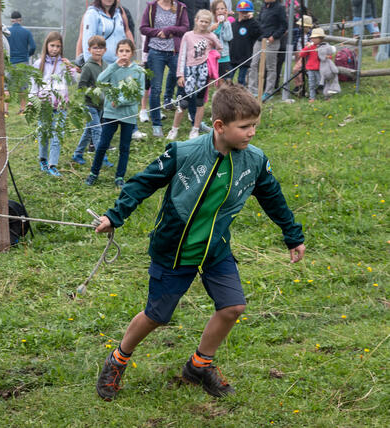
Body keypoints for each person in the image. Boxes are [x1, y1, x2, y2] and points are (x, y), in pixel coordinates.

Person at [93, 82, 306, 401]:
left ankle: (199, 365)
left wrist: (292, 234)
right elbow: (141, 183)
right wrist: (115, 215)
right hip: (175, 248)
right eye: (245, 127)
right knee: (156, 316)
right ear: (219, 126)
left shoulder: (255, 161)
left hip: (215, 247)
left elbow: (273, 199)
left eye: (255, 126)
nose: (252, 133)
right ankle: (118, 359)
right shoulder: (183, 152)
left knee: (233, 307)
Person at [85, 39, 145, 188]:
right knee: (103, 144)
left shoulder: (138, 71)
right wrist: (114, 66)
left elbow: (139, 93)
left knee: (124, 147)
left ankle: (119, 177)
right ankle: (94, 173)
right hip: (111, 113)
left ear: (132, 53)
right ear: (117, 52)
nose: (124, 54)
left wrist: (120, 101)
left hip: (128, 115)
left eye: (127, 51)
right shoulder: (113, 67)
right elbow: (100, 81)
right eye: (121, 51)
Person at [168, 9, 222, 140]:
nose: (204, 24)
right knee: (183, 102)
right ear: (196, 20)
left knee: (199, 101)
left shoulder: (210, 36)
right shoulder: (188, 35)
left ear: (210, 23)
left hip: (203, 72)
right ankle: (174, 129)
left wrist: (212, 53)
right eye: (202, 21)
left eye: (207, 22)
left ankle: (195, 129)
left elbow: (220, 48)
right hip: (189, 71)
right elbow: (182, 56)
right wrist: (180, 74)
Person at [30, 31, 77, 178]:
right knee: (44, 133)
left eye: (58, 46)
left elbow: (72, 81)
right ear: (46, 45)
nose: (55, 49)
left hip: (61, 105)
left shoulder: (63, 63)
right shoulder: (39, 64)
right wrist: (32, 101)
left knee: (57, 134)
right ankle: (43, 160)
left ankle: (53, 164)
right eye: (52, 45)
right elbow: (34, 85)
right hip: (45, 106)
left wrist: (71, 68)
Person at [140, 0, 190, 137]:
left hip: (175, 51)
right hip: (155, 52)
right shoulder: (152, 7)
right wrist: (157, 32)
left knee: (185, 81)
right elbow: (143, 28)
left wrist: (169, 30)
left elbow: (185, 27)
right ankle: (156, 124)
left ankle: (186, 117)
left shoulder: (180, 7)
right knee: (155, 89)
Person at [73, 35, 108, 166]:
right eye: (95, 48)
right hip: (90, 105)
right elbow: (81, 86)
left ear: (105, 50)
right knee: (97, 130)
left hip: (101, 105)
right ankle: (101, 158)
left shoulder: (106, 65)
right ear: (89, 49)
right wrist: (93, 92)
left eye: (100, 48)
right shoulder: (87, 66)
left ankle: (77, 154)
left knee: (89, 131)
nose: (97, 50)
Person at [247, 0, 286, 99]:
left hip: (272, 41)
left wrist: (274, 36)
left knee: (270, 67)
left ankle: (268, 92)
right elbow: (259, 21)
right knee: (253, 64)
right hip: (260, 39)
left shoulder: (280, 8)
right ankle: (252, 90)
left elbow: (284, 25)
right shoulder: (264, 6)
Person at [82, 0, 133, 65]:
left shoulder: (119, 13)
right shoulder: (92, 14)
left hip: (120, 64)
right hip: (102, 66)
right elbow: (87, 42)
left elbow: (125, 34)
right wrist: (91, 65)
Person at [7, 11, 36, 113]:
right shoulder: (26, 32)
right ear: (20, 20)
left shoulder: (7, 32)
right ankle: (22, 109)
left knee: (7, 87)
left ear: (11, 20)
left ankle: (5, 110)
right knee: (22, 87)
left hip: (10, 62)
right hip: (23, 62)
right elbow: (33, 47)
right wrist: (27, 55)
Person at [229, 0, 260, 86]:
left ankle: (241, 98)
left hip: (245, 57)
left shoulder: (252, 24)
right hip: (233, 57)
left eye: (246, 11)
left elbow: (259, 32)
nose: (244, 13)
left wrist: (252, 19)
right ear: (238, 11)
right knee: (228, 79)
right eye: (242, 11)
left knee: (241, 81)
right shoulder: (233, 24)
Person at [211, 0, 233, 84]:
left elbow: (228, 38)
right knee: (214, 80)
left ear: (225, 10)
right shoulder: (211, 23)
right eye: (217, 9)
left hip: (224, 56)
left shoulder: (227, 23)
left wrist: (226, 21)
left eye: (222, 8)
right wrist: (212, 29)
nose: (220, 10)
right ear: (213, 11)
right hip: (213, 56)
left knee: (224, 80)